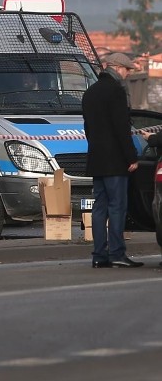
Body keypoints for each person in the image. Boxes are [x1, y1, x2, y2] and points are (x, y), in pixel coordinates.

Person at [81, 52, 143, 268]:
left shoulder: (89, 93)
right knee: (117, 207)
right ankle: (117, 253)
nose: (127, 75)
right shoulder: (116, 91)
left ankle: (99, 255)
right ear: (117, 68)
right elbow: (121, 128)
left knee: (100, 208)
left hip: (97, 159)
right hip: (116, 161)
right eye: (126, 70)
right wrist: (131, 157)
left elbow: (88, 129)